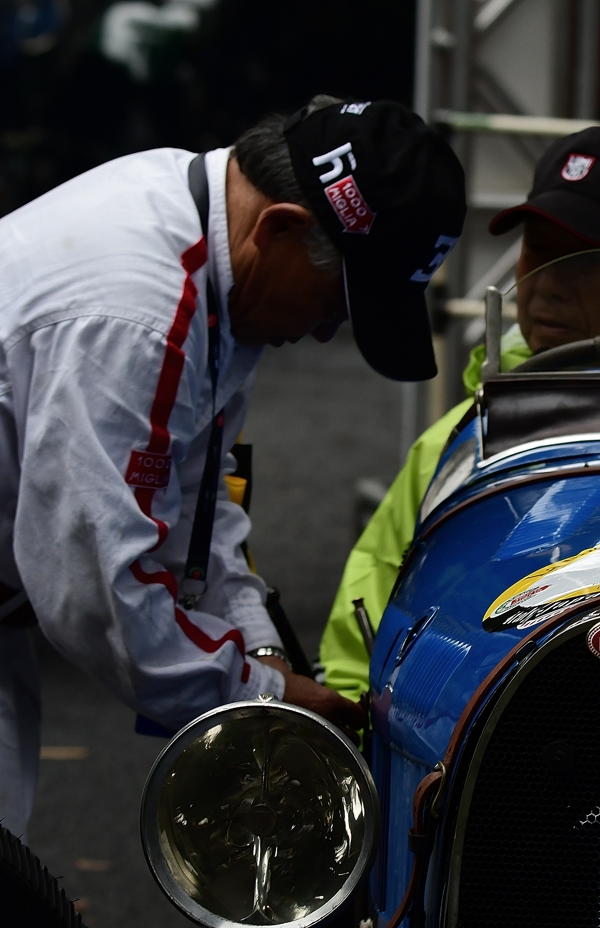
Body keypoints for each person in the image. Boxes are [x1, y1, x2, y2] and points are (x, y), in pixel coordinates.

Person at [0, 95, 465, 834]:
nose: (325, 332)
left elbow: (193, 501)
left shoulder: (206, 250)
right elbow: (95, 589)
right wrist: (260, 694)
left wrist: (260, 644)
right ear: (279, 228)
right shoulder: (140, 317)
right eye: (337, 302)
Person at [320, 126, 600, 700]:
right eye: (539, 251)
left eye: (585, 260)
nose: (547, 285)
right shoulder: (460, 438)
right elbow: (361, 643)